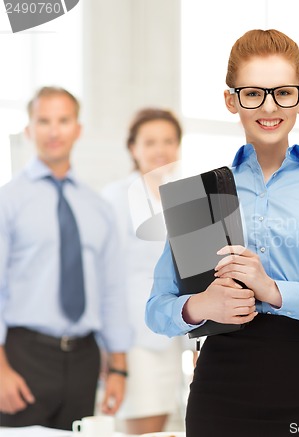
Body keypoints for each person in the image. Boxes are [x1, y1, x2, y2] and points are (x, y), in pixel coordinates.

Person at [146, 29, 299, 437]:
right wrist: (201, 305)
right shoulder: (200, 195)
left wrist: (274, 290)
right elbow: (157, 309)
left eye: (283, 92)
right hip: (219, 388)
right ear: (231, 99)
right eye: (253, 93)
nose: (269, 106)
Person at [0, 87, 132, 430]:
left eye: (63, 120)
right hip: (22, 358)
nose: (54, 131)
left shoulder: (98, 208)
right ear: (29, 129)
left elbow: (112, 291)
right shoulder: (8, 202)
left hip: (84, 360)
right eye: (44, 121)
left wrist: (118, 367)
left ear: (78, 129)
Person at [102, 108, 184, 435]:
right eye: (150, 141)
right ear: (133, 148)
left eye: (168, 141)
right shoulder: (115, 197)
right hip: (134, 339)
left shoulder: (180, 196)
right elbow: (107, 278)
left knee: (162, 426)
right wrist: (112, 353)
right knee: (142, 428)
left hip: (172, 334)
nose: (160, 149)